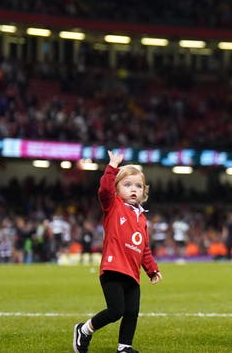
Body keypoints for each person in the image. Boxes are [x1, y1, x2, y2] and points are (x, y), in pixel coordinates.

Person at [73, 151, 162, 353]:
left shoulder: (141, 218)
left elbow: (144, 248)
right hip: (113, 269)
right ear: (117, 189)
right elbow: (104, 190)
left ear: (144, 192)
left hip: (132, 272)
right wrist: (112, 166)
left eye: (138, 186)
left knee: (132, 312)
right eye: (127, 185)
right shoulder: (113, 205)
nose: (133, 189)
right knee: (116, 311)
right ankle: (84, 330)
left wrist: (152, 269)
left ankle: (124, 347)